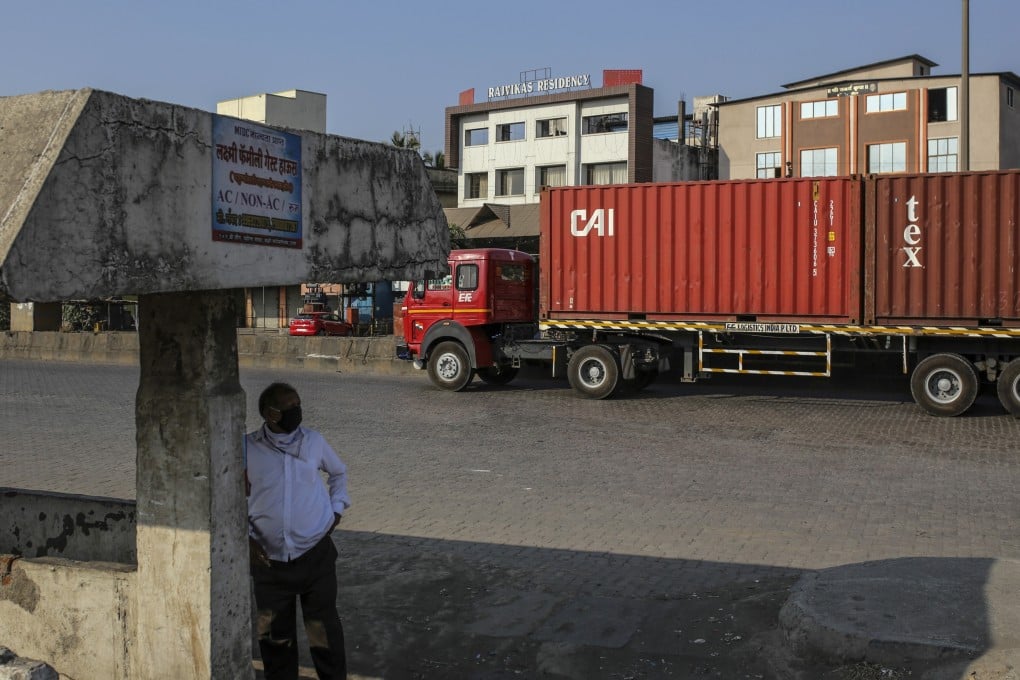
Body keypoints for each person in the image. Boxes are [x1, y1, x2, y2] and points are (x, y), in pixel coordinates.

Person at [246, 382, 350, 680]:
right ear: (270, 413)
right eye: (289, 407)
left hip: (315, 554)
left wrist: (337, 508)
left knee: (325, 634)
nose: (297, 411)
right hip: (269, 562)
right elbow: (228, 495)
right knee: (275, 640)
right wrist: (246, 539)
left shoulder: (314, 441)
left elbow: (339, 472)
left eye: (298, 404)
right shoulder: (246, 448)